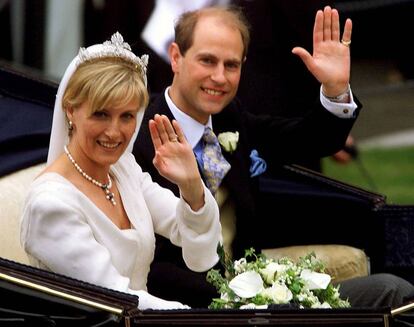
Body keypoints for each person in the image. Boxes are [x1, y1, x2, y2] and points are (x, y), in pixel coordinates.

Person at [132, 5, 414, 308]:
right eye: (207, 60)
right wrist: (243, 298)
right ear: (176, 56)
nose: (219, 77)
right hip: (194, 305)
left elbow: (310, 138)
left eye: (231, 65)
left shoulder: (229, 117)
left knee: (391, 289)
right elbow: (152, 265)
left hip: (256, 280)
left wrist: (334, 88)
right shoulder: (140, 136)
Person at [19, 32, 222, 310]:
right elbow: (113, 297)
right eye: (101, 114)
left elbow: (187, 233)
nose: (114, 132)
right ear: (71, 110)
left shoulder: (123, 169)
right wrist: (193, 318)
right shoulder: (51, 205)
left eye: (127, 116)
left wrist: (191, 184)